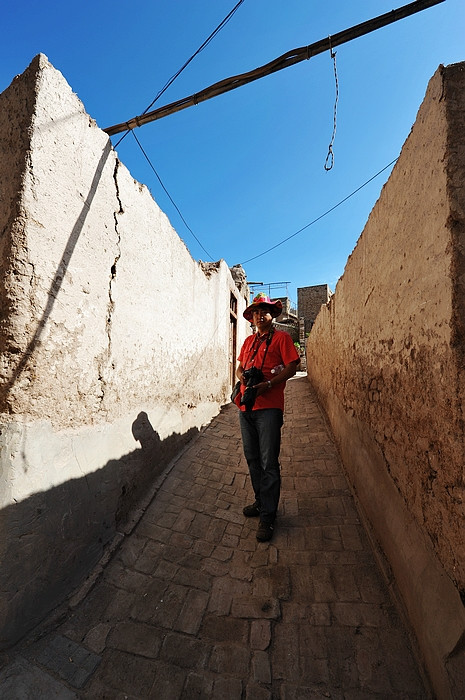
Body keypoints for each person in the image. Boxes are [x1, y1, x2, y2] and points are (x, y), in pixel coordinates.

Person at [234, 292, 300, 542]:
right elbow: (240, 366)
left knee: (268, 462)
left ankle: (268, 517)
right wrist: (242, 378)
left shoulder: (282, 338)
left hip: (269, 408)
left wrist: (268, 385)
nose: (260, 315)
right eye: (256, 312)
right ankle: (261, 503)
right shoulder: (249, 341)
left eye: (264, 311)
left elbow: (293, 366)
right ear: (252, 317)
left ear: (273, 315)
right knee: (252, 459)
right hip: (246, 407)